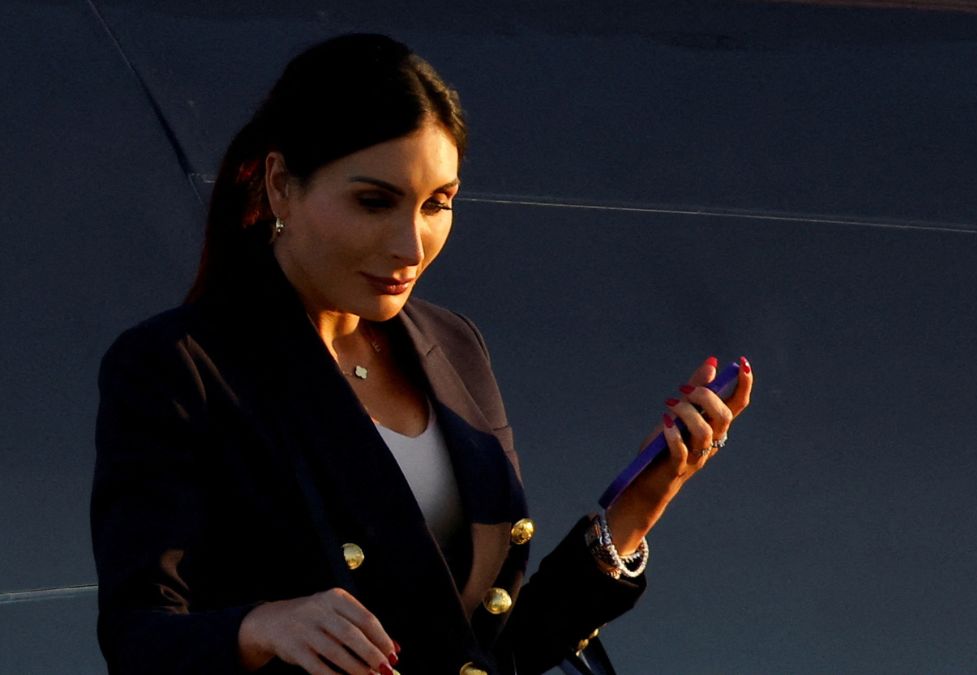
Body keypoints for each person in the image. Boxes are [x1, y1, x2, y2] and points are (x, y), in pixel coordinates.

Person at [91, 33, 754, 675]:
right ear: (280, 184)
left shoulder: (454, 345)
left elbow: (490, 651)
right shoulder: (180, 368)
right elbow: (139, 639)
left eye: (438, 204)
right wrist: (260, 627)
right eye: (374, 202)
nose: (412, 246)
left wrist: (638, 505)